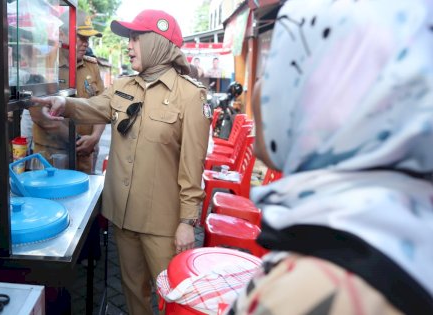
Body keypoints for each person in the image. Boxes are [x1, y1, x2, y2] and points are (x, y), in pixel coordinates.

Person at [228, 0, 433, 314]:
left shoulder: (313, 287)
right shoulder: (395, 224)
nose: (258, 89)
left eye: (284, 69)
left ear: (338, 99)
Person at [32, 10, 210, 314]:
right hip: (124, 216)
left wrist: (186, 222)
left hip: (162, 222)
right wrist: (63, 104)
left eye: (136, 38)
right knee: (132, 291)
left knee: (174, 298)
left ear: (157, 42)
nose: (129, 45)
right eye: (129, 38)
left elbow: (192, 167)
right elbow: (92, 107)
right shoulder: (123, 87)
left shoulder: (190, 97)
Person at [28, 16, 106, 174]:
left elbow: (102, 105)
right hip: (52, 155)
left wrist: (95, 137)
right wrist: (77, 141)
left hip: (84, 153)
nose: (86, 43)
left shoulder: (92, 67)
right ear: (62, 35)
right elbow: (39, 115)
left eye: (88, 38)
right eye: (81, 37)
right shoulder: (44, 65)